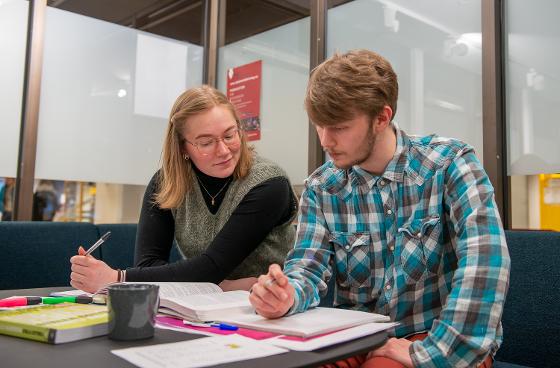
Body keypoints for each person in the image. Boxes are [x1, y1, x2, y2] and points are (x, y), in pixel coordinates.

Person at [249, 49, 510, 368]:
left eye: (339, 127)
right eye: (320, 126)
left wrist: (426, 354)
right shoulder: (322, 187)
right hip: (358, 335)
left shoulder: (449, 164)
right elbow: (307, 267)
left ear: (381, 118)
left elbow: (485, 268)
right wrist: (286, 296)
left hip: (437, 336)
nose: (325, 141)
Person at [70, 86, 298, 294]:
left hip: (270, 304)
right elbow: (147, 265)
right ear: (182, 148)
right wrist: (220, 284)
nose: (224, 150)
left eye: (230, 135)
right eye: (206, 142)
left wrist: (117, 277)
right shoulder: (166, 183)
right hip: (200, 305)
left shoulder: (269, 184)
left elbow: (211, 266)